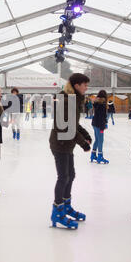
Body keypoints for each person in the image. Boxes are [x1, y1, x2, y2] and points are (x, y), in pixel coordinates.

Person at [49, 73, 92, 230]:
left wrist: (85, 135)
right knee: (63, 177)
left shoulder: (74, 100)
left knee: (70, 175)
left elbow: (74, 123)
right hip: (60, 143)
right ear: (76, 85)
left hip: (67, 143)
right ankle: (57, 211)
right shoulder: (66, 101)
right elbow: (67, 127)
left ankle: (66, 206)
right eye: (85, 85)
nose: (87, 88)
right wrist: (83, 144)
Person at [91, 90, 109, 164]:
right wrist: (103, 126)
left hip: (94, 124)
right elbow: (102, 117)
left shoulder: (96, 103)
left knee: (97, 140)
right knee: (101, 140)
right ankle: (100, 156)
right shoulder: (103, 104)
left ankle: (93, 154)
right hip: (99, 125)